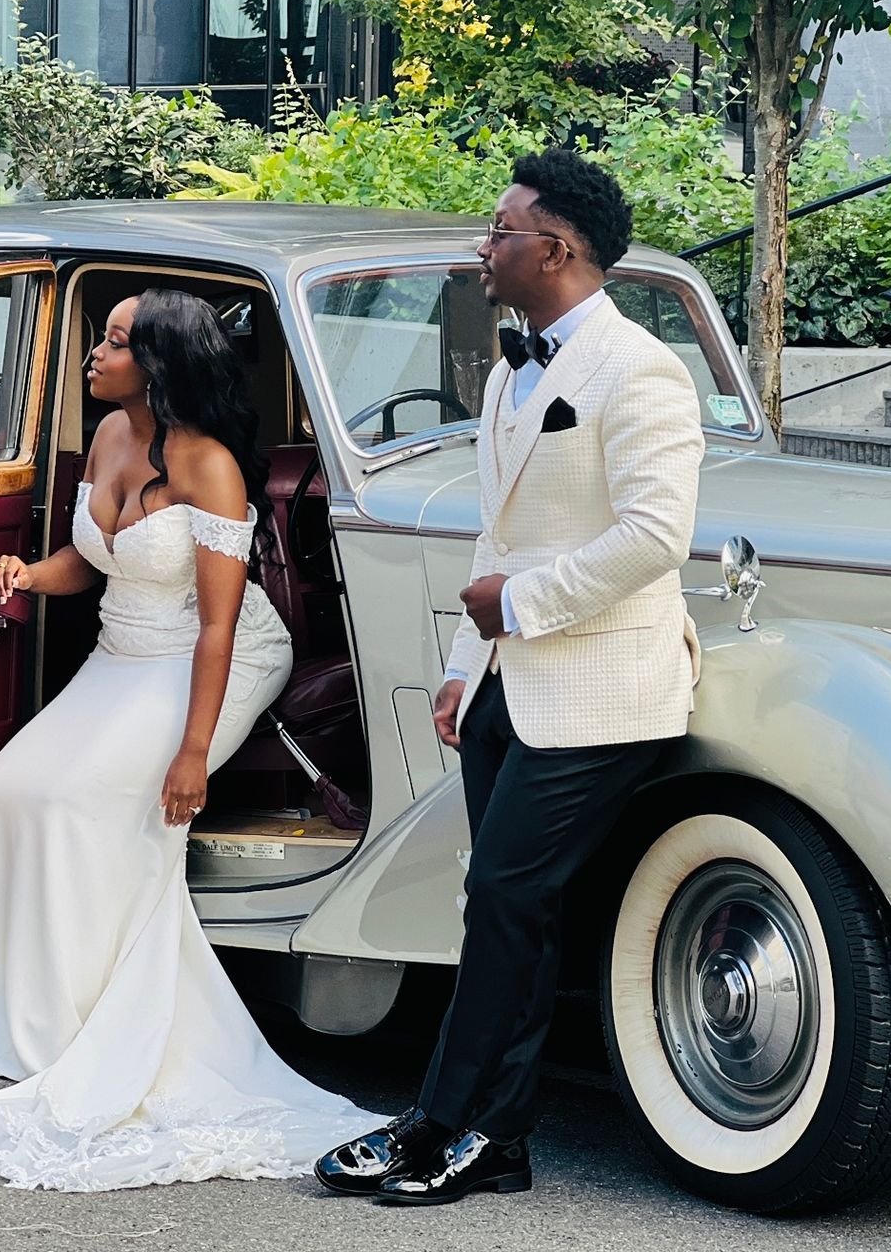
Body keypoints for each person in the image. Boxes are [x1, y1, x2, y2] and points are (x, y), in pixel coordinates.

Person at [0, 288, 377, 1192]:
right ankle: (23, 1028)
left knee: (90, 800)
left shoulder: (210, 467)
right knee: (14, 785)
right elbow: (91, 559)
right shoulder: (113, 439)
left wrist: (193, 753)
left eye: (114, 342)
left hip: (215, 658)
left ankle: (97, 1027)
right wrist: (26, 574)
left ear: (156, 364)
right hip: (123, 647)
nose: (93, 353)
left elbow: (218, 628)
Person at [315, 150, 705, 1205]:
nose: (481, 248)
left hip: (603, 689)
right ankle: (498, 1138)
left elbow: (658, 536)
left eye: (498, 231)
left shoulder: (639, 370)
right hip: (505, 686)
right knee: (510, 913)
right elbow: (501, 530)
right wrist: (463, 667)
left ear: (557, 250)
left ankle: (441, 1121)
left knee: (502, 896)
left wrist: (522, 608)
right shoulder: (506, 370)